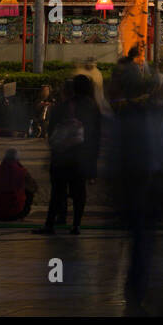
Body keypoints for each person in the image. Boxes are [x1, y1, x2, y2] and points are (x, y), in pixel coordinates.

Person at [33, 75, 102, 236]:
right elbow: (96, 136)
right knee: (79, 192)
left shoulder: (63, 106)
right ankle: (76, 225)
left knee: (57, 191)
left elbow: (52, 132)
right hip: (82, 156)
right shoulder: (93, 107)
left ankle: (51, 224)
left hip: (62, 156)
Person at [0, 149, 38, 222]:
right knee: (29, 192)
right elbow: (34, 187)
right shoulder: (22, 171)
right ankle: (21, 214)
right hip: (14, 212)